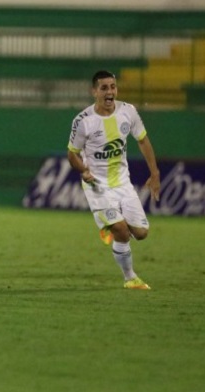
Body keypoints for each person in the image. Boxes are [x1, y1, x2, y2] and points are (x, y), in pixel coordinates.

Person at [67, 70, 161, 290]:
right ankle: (130, 278)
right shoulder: (83, 121)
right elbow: (72, 154)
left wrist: (155, 173)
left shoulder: (128, 112)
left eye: (113, 87)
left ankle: (108, 224)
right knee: (121, 230)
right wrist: (83, 170)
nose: (110, 92)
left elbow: (143, 140)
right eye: (104, 88)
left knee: (141, 233)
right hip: (97, 185)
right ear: (94, 91)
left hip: (122, 183)